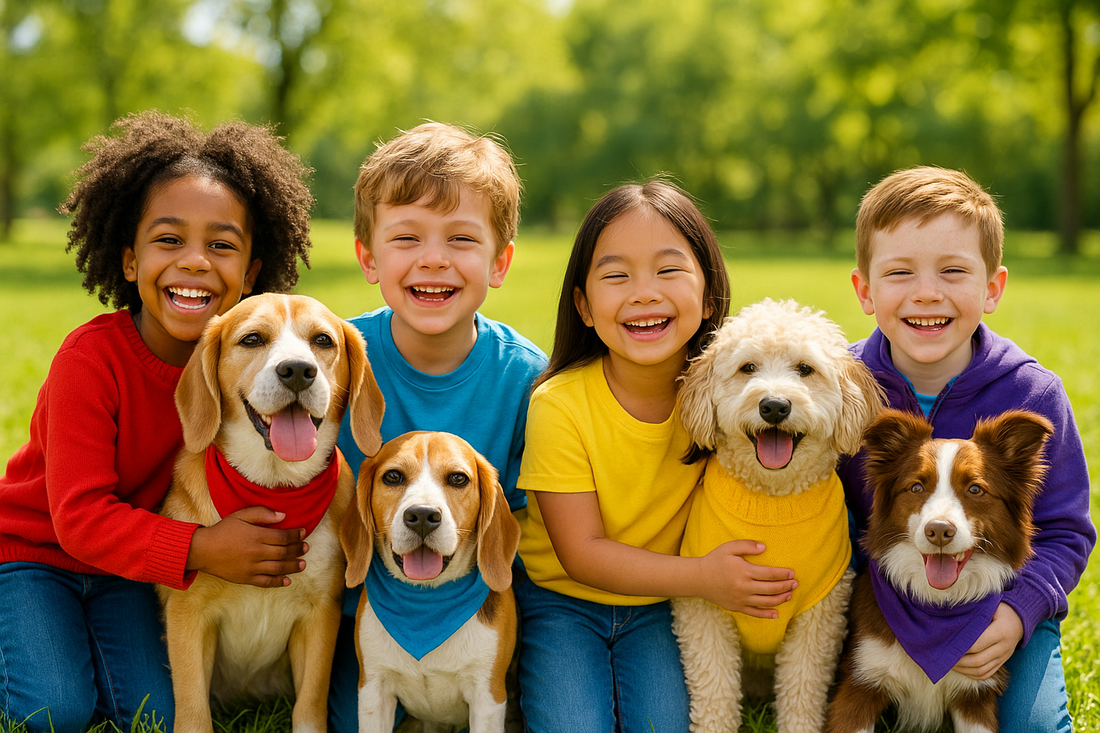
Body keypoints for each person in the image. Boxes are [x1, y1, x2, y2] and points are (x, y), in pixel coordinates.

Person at [0, 110, 315, 733]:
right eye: (169, 241)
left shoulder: (252, 370)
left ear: (251, 273)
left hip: (129, 574)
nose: (195, 262)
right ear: (128, 261)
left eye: (222, 246)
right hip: (37, 557)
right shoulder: (89, 361)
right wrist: (203, 548)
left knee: (151, 713)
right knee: (54, 711)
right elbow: (80, 519)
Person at [515, 180, 799, 733]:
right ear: (585, 306)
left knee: (664, 724)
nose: (643, 293)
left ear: (709, 294)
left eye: (669, 271)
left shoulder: (728, 397)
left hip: (658, 607)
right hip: (562, 602)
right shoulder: (560, 405)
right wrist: (704, 578)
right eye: (617, 276)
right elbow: (582, 554)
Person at [840, 165, 1096, 732]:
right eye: (899, 271)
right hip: (880, 599)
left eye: (953, 271)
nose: (926, 293)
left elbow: (1066, 532)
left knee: (1030, 727)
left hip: (999, 600)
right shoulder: (839, 384)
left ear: (992, 287)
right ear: (865, 289)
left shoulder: (1033, 392)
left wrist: (1017, 614)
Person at [328, 122, 547, 732]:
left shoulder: (529, 379)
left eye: (460, 238)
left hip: (482, 605)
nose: (433, 258)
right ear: (368, 257)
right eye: (406, 237)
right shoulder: (336, 355)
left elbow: (528, 521)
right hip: (362, 608)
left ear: (499, 262)